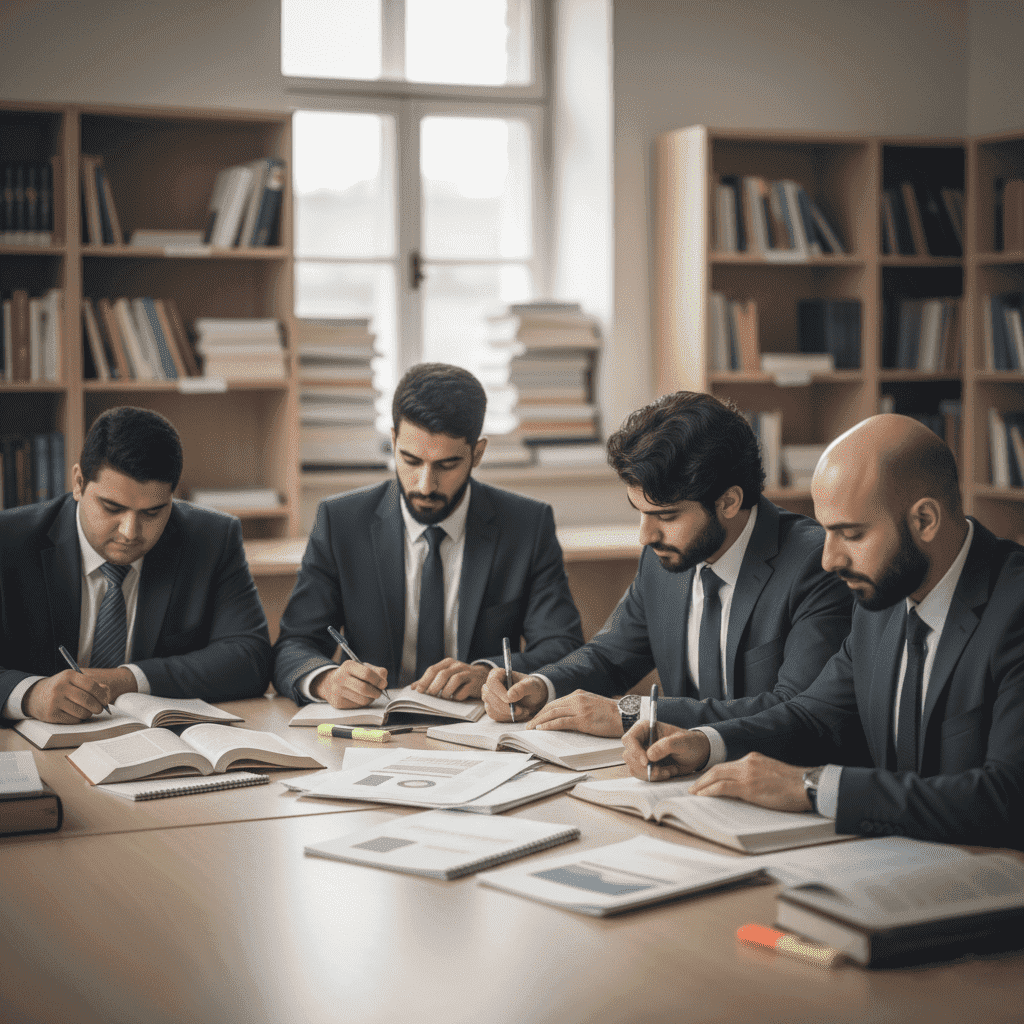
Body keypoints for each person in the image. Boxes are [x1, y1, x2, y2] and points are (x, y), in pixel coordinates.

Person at [622, 414, 1024, 849]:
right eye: (827, 532)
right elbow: (815, 715)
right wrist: (705, 743)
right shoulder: (884, 596)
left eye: (850, 534)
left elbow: (1006, 796)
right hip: (898, 859)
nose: (829, 560)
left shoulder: (1014, 609)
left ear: (925, 520)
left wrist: (814, 788)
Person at [482, 391, 852, 736]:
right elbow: (611, 657)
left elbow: (793, 709)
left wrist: (632, 714)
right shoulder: (664, 558)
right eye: (640, 512)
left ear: (729, 502)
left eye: (667, 516)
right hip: (674, 776)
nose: (645, 536)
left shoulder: (816, 565)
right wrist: (541, 685)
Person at [273, 363, 583, 709]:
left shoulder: (526, 525)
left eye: (446, 465)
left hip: (480, 731)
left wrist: (490, 673)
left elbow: (563, 647)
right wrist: (327, 680)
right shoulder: (342, 522)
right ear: (392, 442)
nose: (425, 485)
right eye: (410, 460)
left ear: (477, 454)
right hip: (374, 727)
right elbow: (294, 645)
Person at [0, 406, 272, 724]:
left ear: (173, 496)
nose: (130, 532)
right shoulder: (9, 542)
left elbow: (250, 658)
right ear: (78, 482)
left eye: (152, 512)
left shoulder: (212, 538)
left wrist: (126, 680)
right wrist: (29, 694)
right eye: (112, 507)